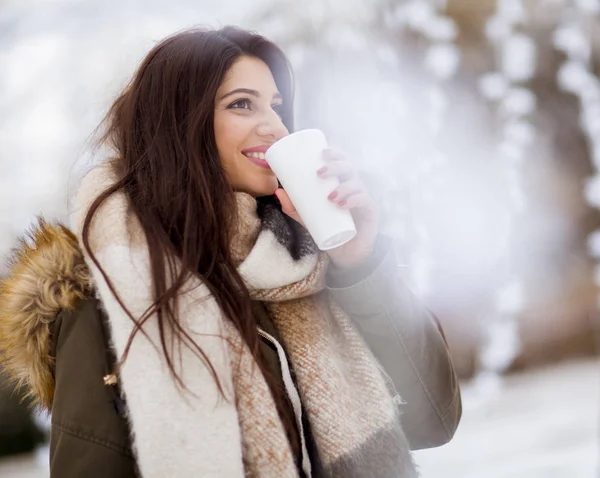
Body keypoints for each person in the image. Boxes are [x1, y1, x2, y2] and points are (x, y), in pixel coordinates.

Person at [0, 26, 461, 478]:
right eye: (242, 104)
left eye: (277, 106)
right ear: (181, 124)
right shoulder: (112, 295)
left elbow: (434, 420)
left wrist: (360, 262)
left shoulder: (310, 265)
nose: (275, 126)